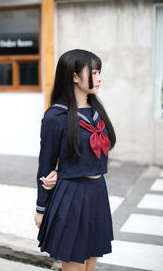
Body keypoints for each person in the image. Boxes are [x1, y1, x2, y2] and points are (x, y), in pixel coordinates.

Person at [34, 49, 116, 271]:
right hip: (73, 198)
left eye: (100, 72)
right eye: (95, 72)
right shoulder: (56, 117)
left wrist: (64, 173)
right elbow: (46, 165)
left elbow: (97, 157)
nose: (99, 77)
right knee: (76, 267)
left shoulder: (96, 111)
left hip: (97, 192)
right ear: (74, 76)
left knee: (90, 266)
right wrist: (41, 208)